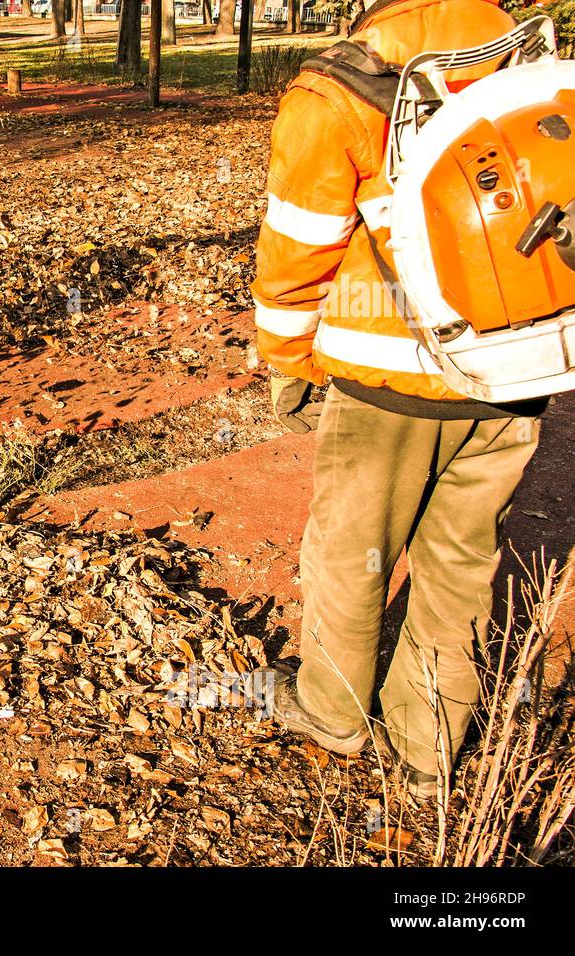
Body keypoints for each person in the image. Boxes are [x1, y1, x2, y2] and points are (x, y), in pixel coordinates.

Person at [250, 0, 548, 799]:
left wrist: (284, 357)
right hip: (518, 368)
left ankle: (334, 716)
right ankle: (428, 749)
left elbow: (298, 249)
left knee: (353, 556)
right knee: (459, 566)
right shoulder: (534, 61)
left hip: (390, 381)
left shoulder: (335, 91)